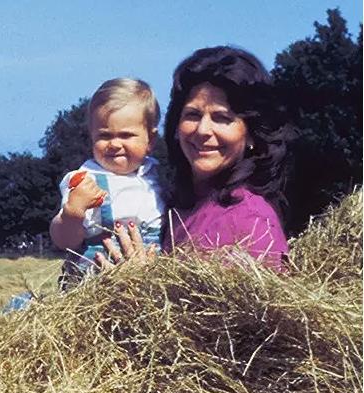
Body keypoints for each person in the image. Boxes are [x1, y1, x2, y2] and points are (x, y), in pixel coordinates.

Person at [98, 46, 291, 269]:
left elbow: (255, 304)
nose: (203, 130)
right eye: (193, 114)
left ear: (252, 134)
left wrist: (141, 286)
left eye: (222, 118)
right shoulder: (174, 210)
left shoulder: (251, 222)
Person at [50, 78, 165, 286]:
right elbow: (64, 241)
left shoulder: (159, 176)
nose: (114, 144)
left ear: (151, 140)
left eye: (126, 135)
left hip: (152, 285)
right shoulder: (84, 179)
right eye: (104, 136)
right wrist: (73, 214)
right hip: (95, 287)